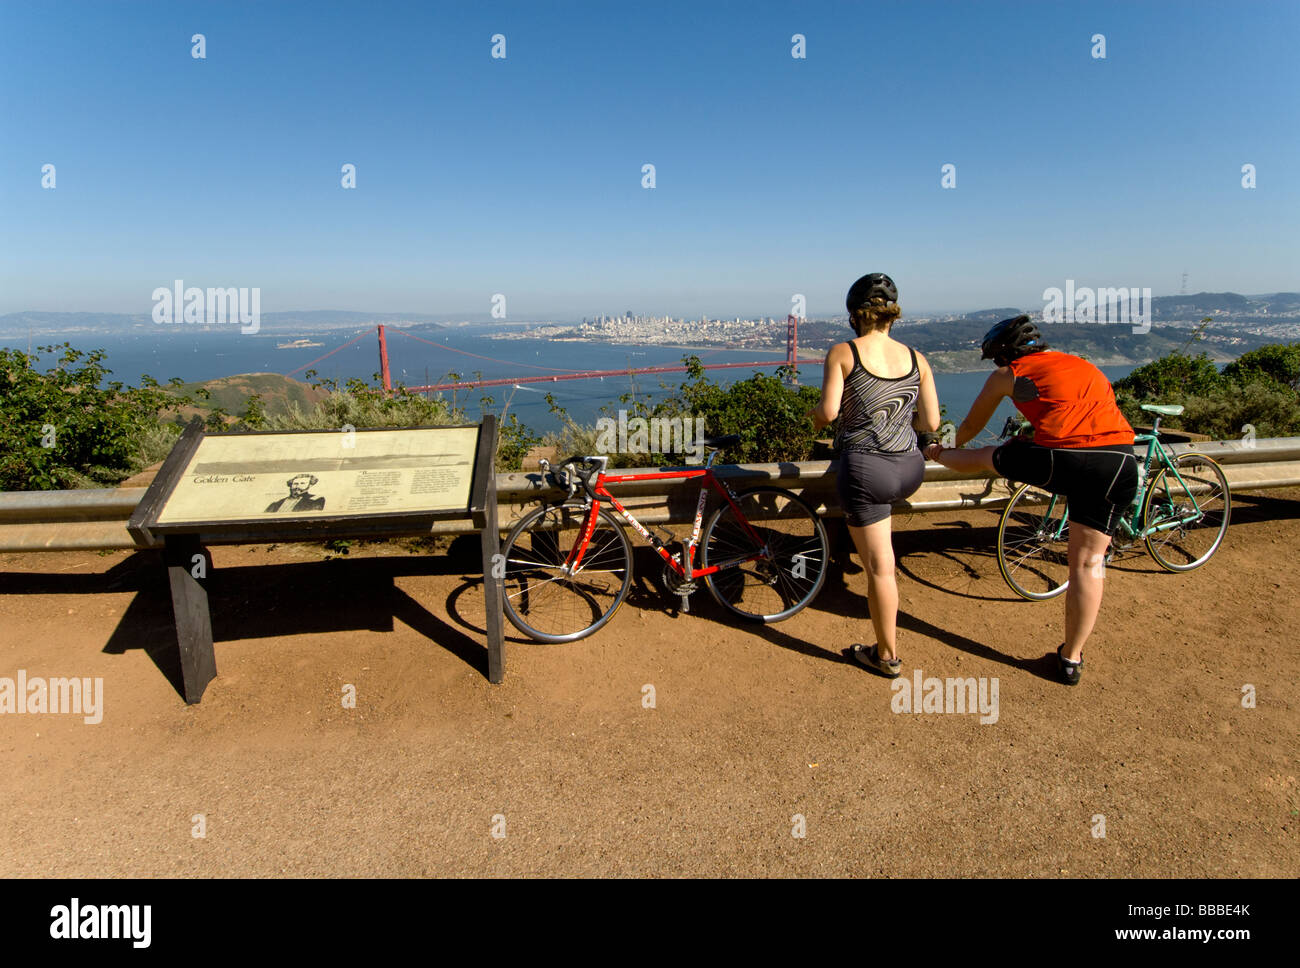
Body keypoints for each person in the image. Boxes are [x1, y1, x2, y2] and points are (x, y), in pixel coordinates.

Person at [924, 314, 1137, 685]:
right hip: (1119, 461)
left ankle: (933, 454)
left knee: (985, 457)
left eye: (996, 359)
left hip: (1061, 458)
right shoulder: (1082, 363)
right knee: (1089, 564)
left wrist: (948, 447)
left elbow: (973, 425)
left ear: (1004, 354)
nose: (996, 366)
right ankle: (1071, 660)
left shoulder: (1009, 373)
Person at [807, 272, 941, 678]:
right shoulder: (918, 358)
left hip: (867, 470)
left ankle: (885, 655)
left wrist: (812, 420)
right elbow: (930, 420)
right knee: (881, 558)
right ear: (891, 317)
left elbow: (829, 413)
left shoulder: (843, 352)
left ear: (854, 315)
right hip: (910, 469)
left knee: (881, 568)